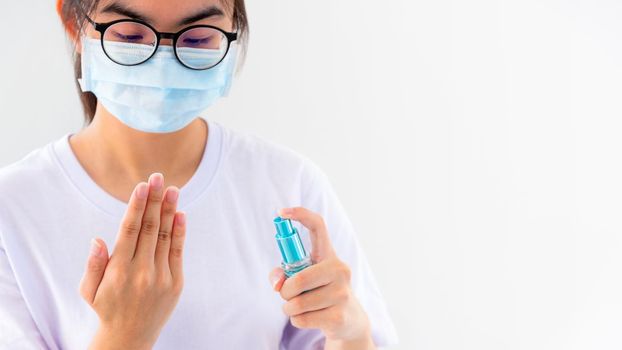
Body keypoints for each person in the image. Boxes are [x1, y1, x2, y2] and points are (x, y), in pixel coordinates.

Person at [0, 0, 398, 349]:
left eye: (196, 38)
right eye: (129, 34)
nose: (163, 59)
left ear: (231, 35)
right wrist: (125, 334)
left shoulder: (289, 185)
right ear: (73, 23)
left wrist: (350, 336)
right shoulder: (13, 210)